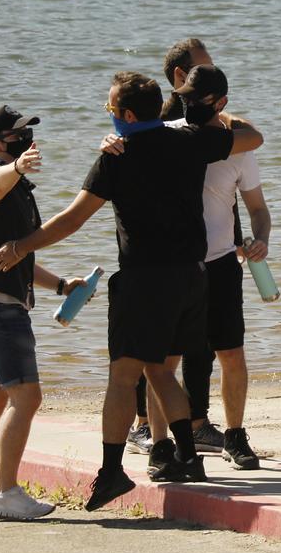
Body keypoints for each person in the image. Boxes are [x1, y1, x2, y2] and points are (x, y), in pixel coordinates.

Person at [0, 71, 263, 510]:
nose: (109, 116)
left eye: (111, 110)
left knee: (122, 377)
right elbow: (253, 136)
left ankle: (112, 471)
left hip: (146, 279)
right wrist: (210, 113)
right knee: (160, 371)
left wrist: (23, 246)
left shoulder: (117, 156)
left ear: (127, 115)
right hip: (193, 278)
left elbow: (72, 219)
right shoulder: (192, 140)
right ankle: (188, 458)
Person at [103, 64, 268, 472]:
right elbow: (134, 138)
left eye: (198, 99)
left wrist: (260, 238)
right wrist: (111, 140)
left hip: (223, 261)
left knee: (231, 352)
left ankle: (234, 434)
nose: (189, 104)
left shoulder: (237, 146)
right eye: (184, 97)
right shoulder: (174, 133)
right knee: (165, 362)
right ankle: (161, 444)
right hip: (180, 265)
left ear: (221, 103)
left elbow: (258, 208)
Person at [0, 105, 85, 520]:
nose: (26, 142)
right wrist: (14, 166)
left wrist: (62, 286)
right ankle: (6, 492)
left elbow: (17, 258)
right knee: (27, 397)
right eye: (15, 137)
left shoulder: (17, 188)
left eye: (26, 135)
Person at [126, 38, 224, 456]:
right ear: (181, 76)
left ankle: (194, 421)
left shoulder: (209, 123)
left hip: (198, 251)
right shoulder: (162, 120)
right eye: (203, 68)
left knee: (196, 346)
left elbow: (249, 140)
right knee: (155, 351)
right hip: (156, 255)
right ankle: (147, 424)